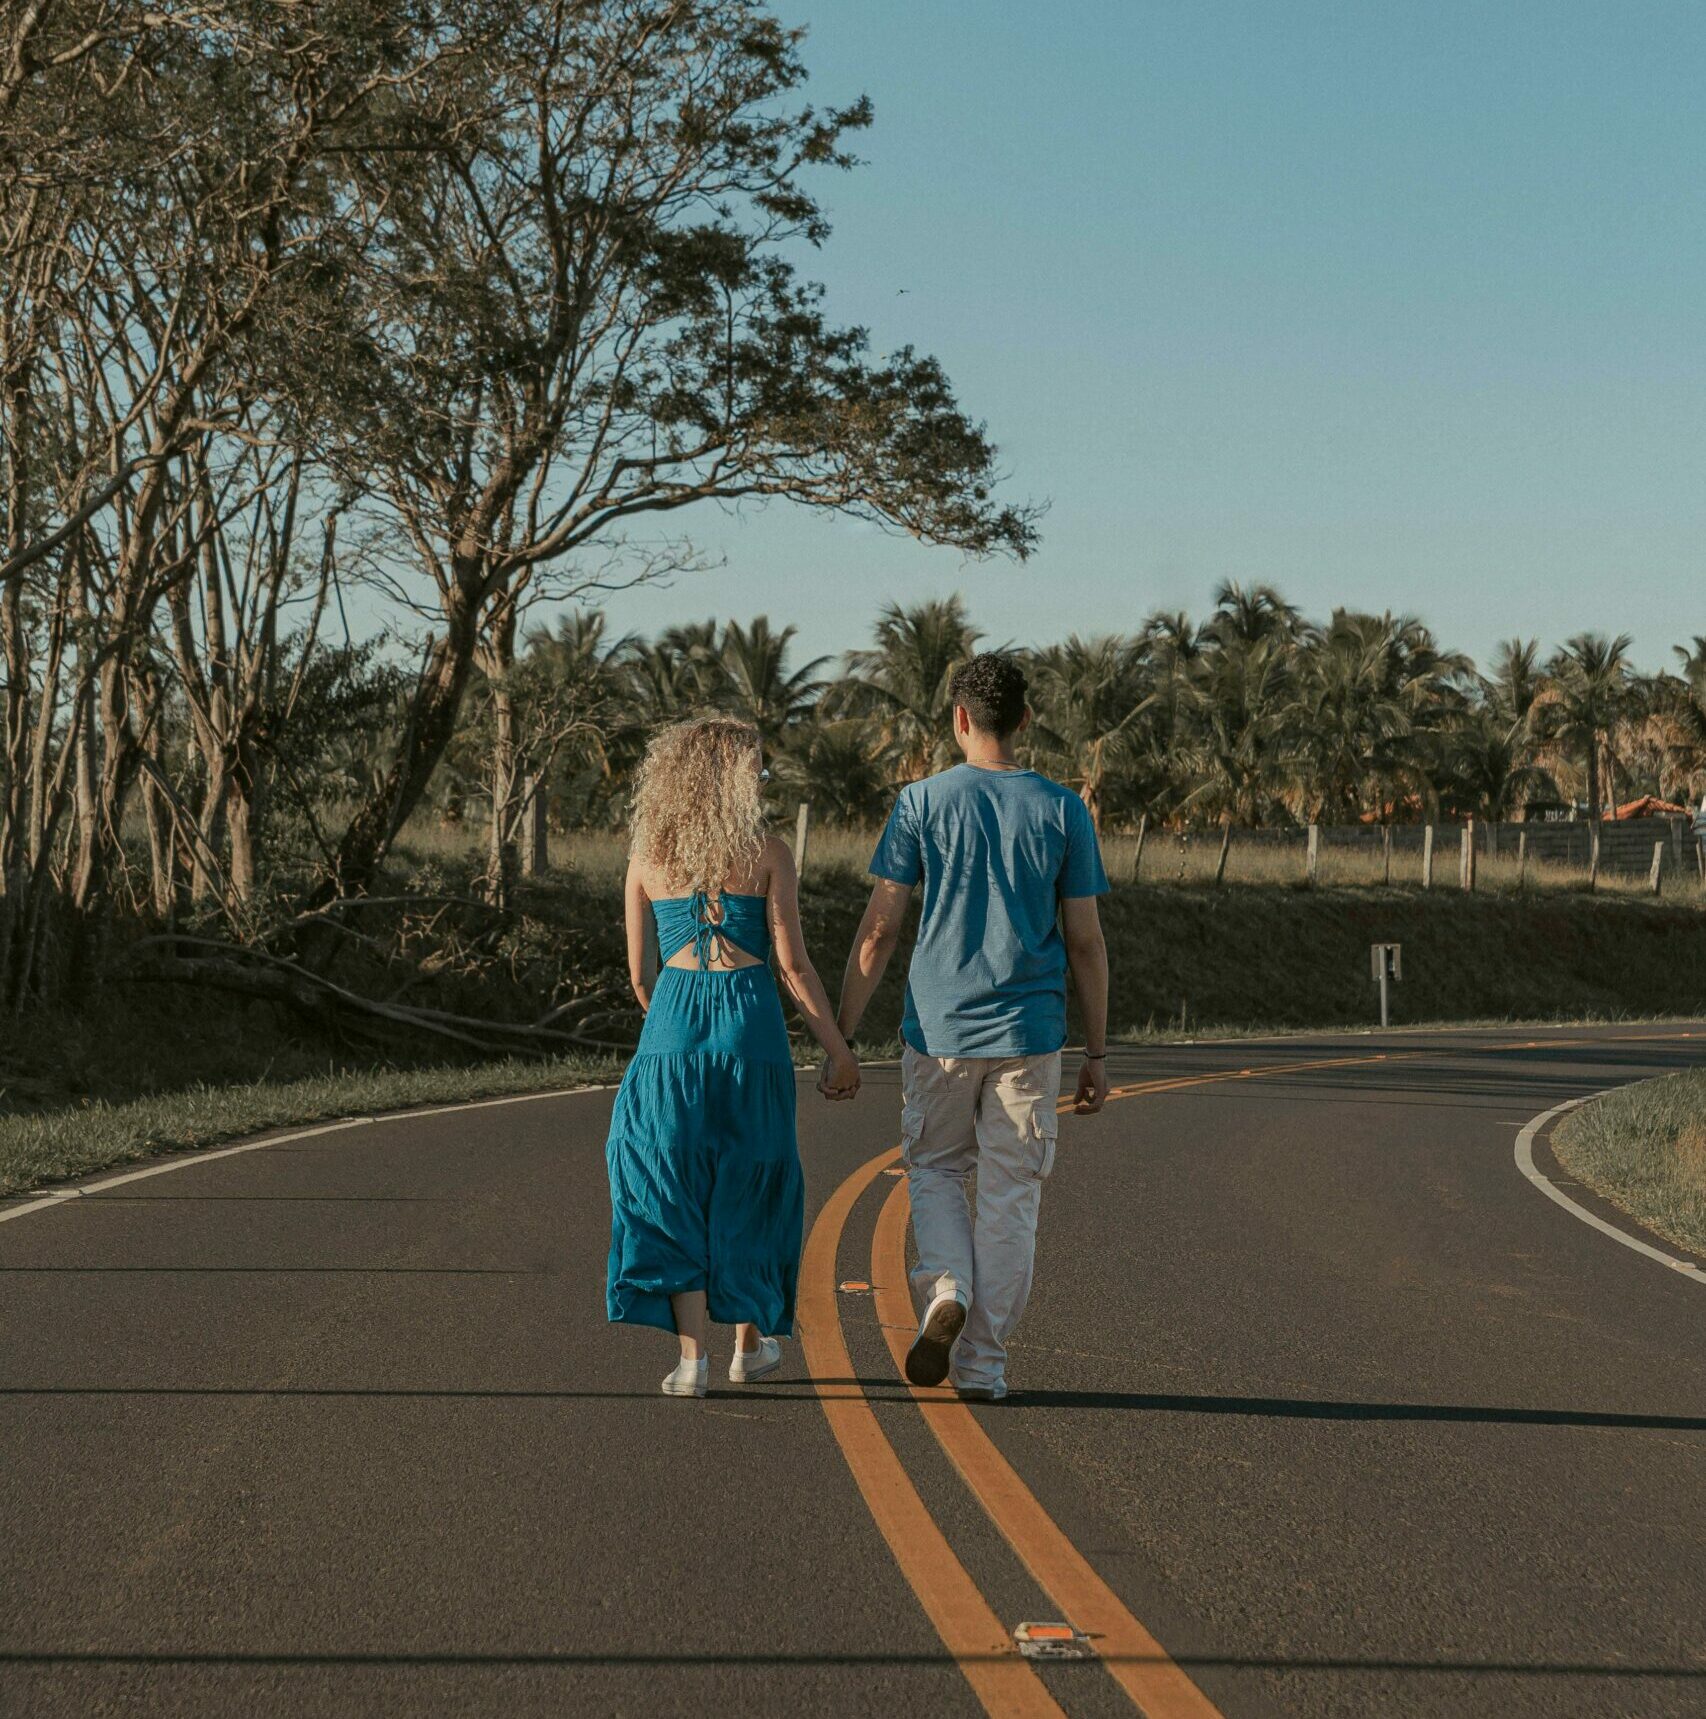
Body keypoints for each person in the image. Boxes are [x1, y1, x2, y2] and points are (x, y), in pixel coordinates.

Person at [828, 653, 1110, 1401]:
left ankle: (946, 1286)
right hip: (1031, 1035)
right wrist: (1099, 1050)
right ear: (1024, 719)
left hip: (940, 1033)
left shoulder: (919, 802)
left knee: (936, 1169)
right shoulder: (1063, 810)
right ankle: (983, 1366)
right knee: (1012, 1193)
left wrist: (842, 1032)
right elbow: (1084, 938)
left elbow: (879, 929)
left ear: (958, 719)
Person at [606, 716, 860, 1399]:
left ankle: (692, 1361)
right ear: (731, 779)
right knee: (754, 1177)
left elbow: (639, 975)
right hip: (752, 1033)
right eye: (756, 766)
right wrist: (839, 1051)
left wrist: (673, 1025)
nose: (763, 776)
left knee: (668, 1181)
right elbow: (794, 967)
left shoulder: (646, 855)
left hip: (671, 1033)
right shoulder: (770, 850)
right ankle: (749, 1343)